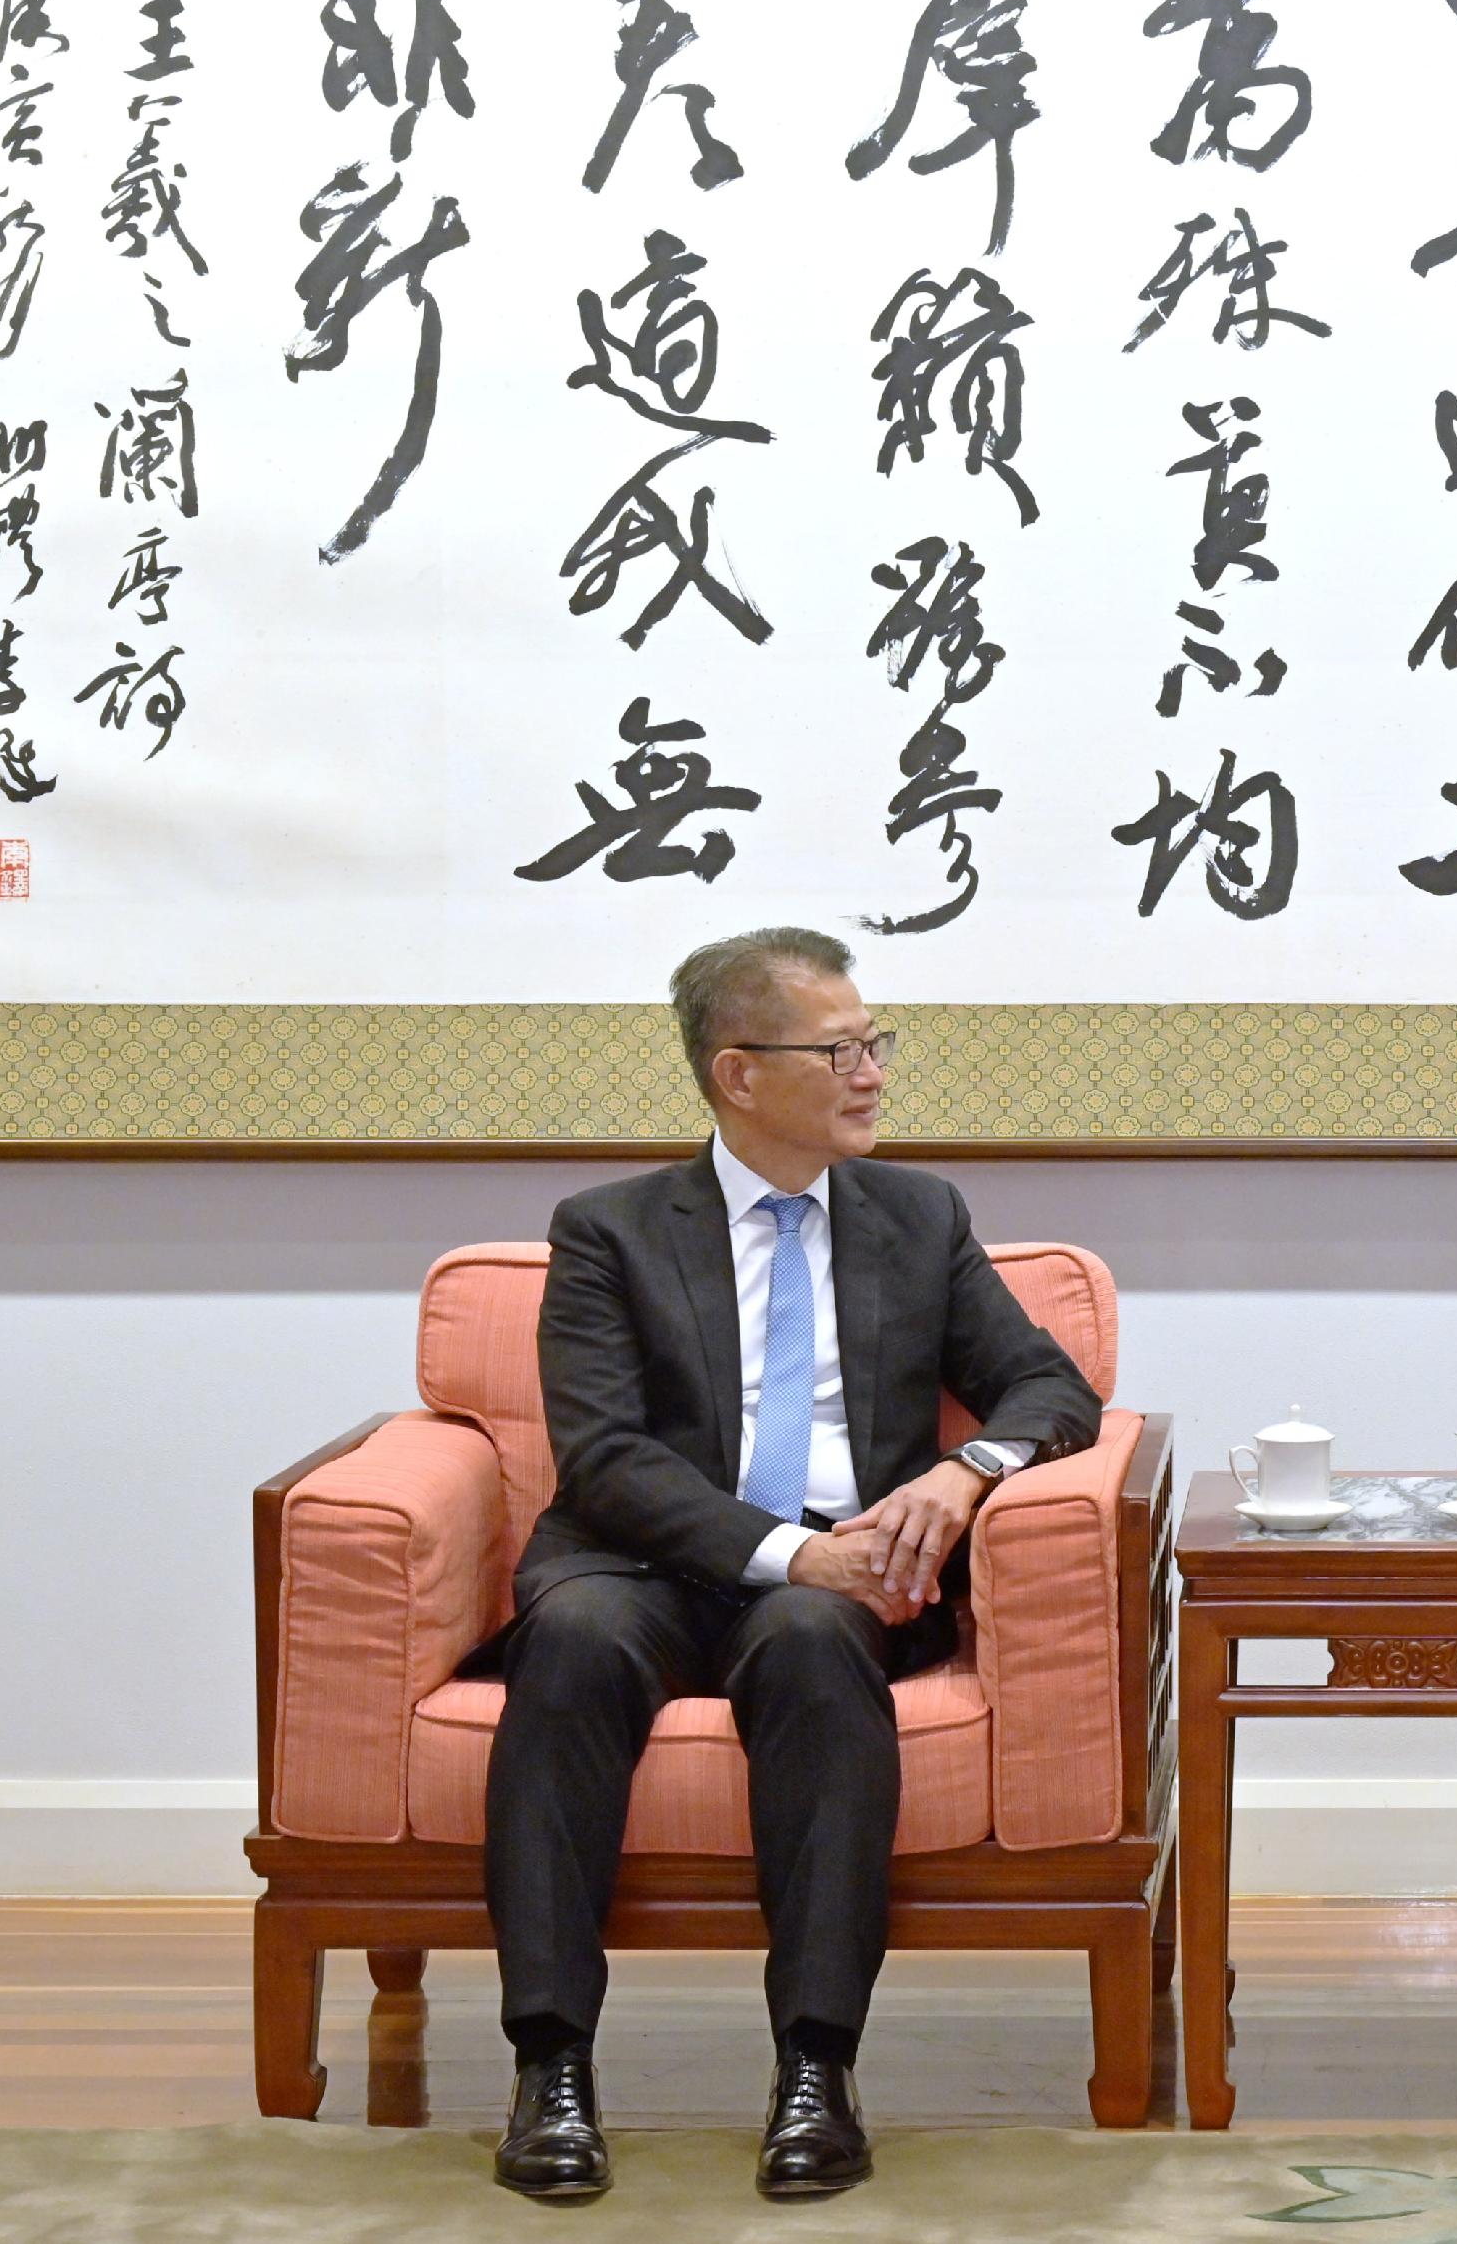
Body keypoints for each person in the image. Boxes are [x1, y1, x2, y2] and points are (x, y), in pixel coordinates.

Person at [482, 926, 1103, 2203]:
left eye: (875, 1042)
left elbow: (1048, 1385)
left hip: (843, 1576)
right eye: (841, 1049)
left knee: (821, 1653)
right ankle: (551, 2066)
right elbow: (603, 1457)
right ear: (738, 1074)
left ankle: (816, 2068)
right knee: (576, 1644)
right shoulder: (606, 1231)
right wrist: (788, 1553)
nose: (873, 1071)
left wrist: (961, 1473)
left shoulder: (916, 1216)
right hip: (639, 1562)